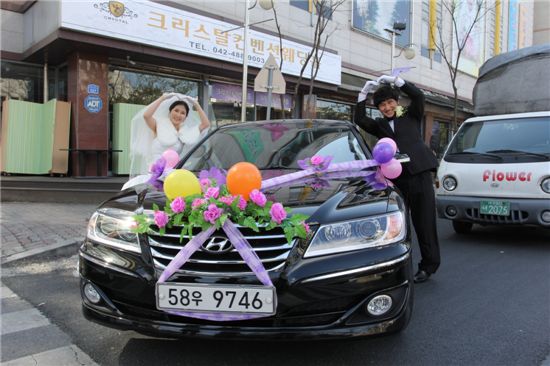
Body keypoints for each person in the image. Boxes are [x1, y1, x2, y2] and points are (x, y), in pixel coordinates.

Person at [354, 74, 440, 283]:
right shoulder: (379, 125)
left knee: (425, 222)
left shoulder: (411, 116)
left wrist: (399, 81)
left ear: (397, 101)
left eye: (390, 102)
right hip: (397, 180)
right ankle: (398, 266)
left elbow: (418, 96)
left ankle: (428, 266)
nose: (387, 107)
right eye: (382, 104)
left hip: (420, 175)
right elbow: (359, 119)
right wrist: (363, 94)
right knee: (398, 226)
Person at [129, 93, 211, 177]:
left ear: (185, 117)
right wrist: (162, 98)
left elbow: (206, 124)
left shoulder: (185, 133)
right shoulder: (159, 125)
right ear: (170, 111)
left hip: (173, 175)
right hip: (154, 173)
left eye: (183, 113)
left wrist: (196, 104)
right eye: (176, 110)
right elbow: (146, 116)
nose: (178, 115)